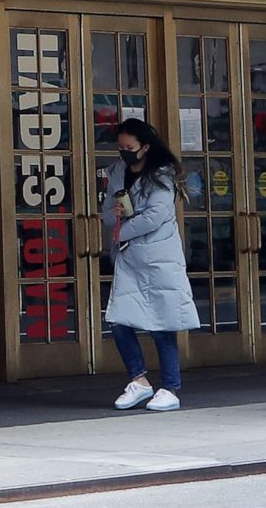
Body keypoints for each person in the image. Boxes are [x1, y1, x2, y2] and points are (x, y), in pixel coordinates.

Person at [102, 118, 200, 412]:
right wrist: (114, 215)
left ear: (144, 147)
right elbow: (107, 212)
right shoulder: (118, 172)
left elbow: (157, 214)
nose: (123, 152)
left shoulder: (162, 175)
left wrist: (121, 231)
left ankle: (170, 388)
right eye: (120, 146)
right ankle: (139, 380)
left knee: (162, 323)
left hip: (158, 257)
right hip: (130, 259)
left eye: (129, 147)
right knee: (119, 321)